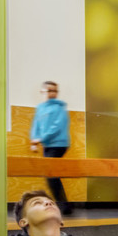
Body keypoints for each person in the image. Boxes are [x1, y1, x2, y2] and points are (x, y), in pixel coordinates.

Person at [30, 80, 74, 217]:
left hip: (59, 144)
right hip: (47, 144)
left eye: (54, 91)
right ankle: (63, 205)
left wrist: (41, 139)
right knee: (51, 175)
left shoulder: (59, 108)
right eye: (48, 90)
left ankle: (64, 206)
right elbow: (36, 125)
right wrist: (34, 140)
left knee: (51, 175)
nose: (51, 93)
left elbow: (57, 126)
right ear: (42, 92)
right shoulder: (40, 108)